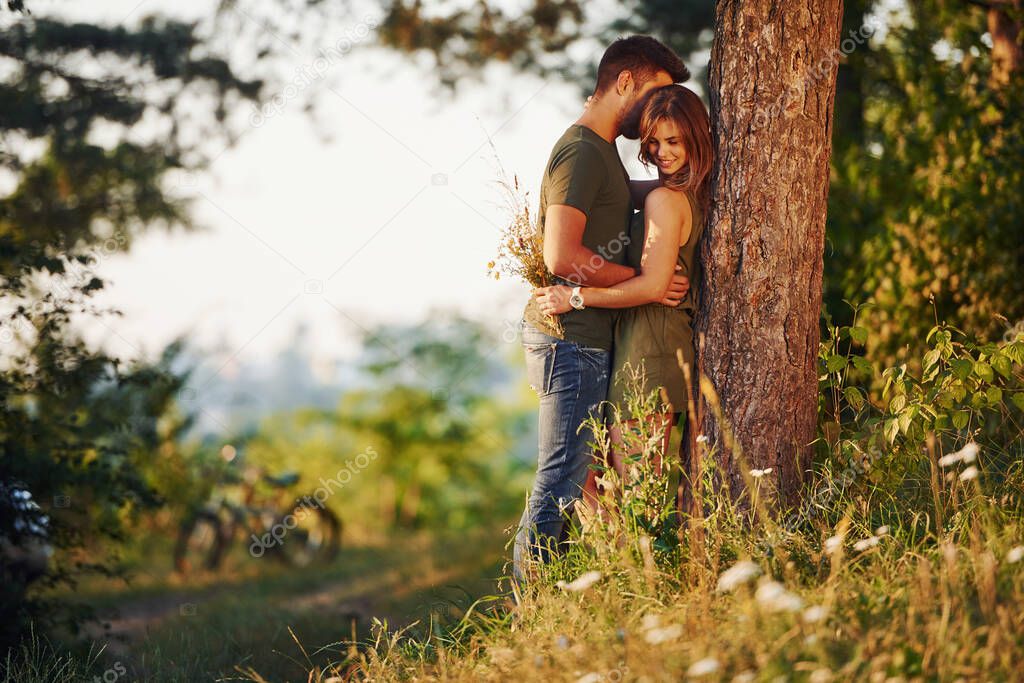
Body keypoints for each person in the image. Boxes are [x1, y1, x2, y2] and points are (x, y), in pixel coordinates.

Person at [512, 36, 690, 588]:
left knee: (583, 483)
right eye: (657, 94)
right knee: (561, 479)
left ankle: (575, 595)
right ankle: (529, 607)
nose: (659, 110)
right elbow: (560, 255)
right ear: (626, 83)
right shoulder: (584, 150)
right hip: (570, 337)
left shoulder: (602, 152)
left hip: (586, 336)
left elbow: (634, 197)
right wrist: (644, 282)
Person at [535, 84, 713, 512]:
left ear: (695, 138)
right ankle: (612, 573)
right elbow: (624, 189)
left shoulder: (667, 202)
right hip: (639, 342)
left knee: (636, 497)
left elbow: (654, 286)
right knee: (594, 480)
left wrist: (575, 297)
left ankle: (637, 575)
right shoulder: (670, 193)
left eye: (674, 141)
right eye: (653, 141)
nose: (662, 151)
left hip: (651, 350)